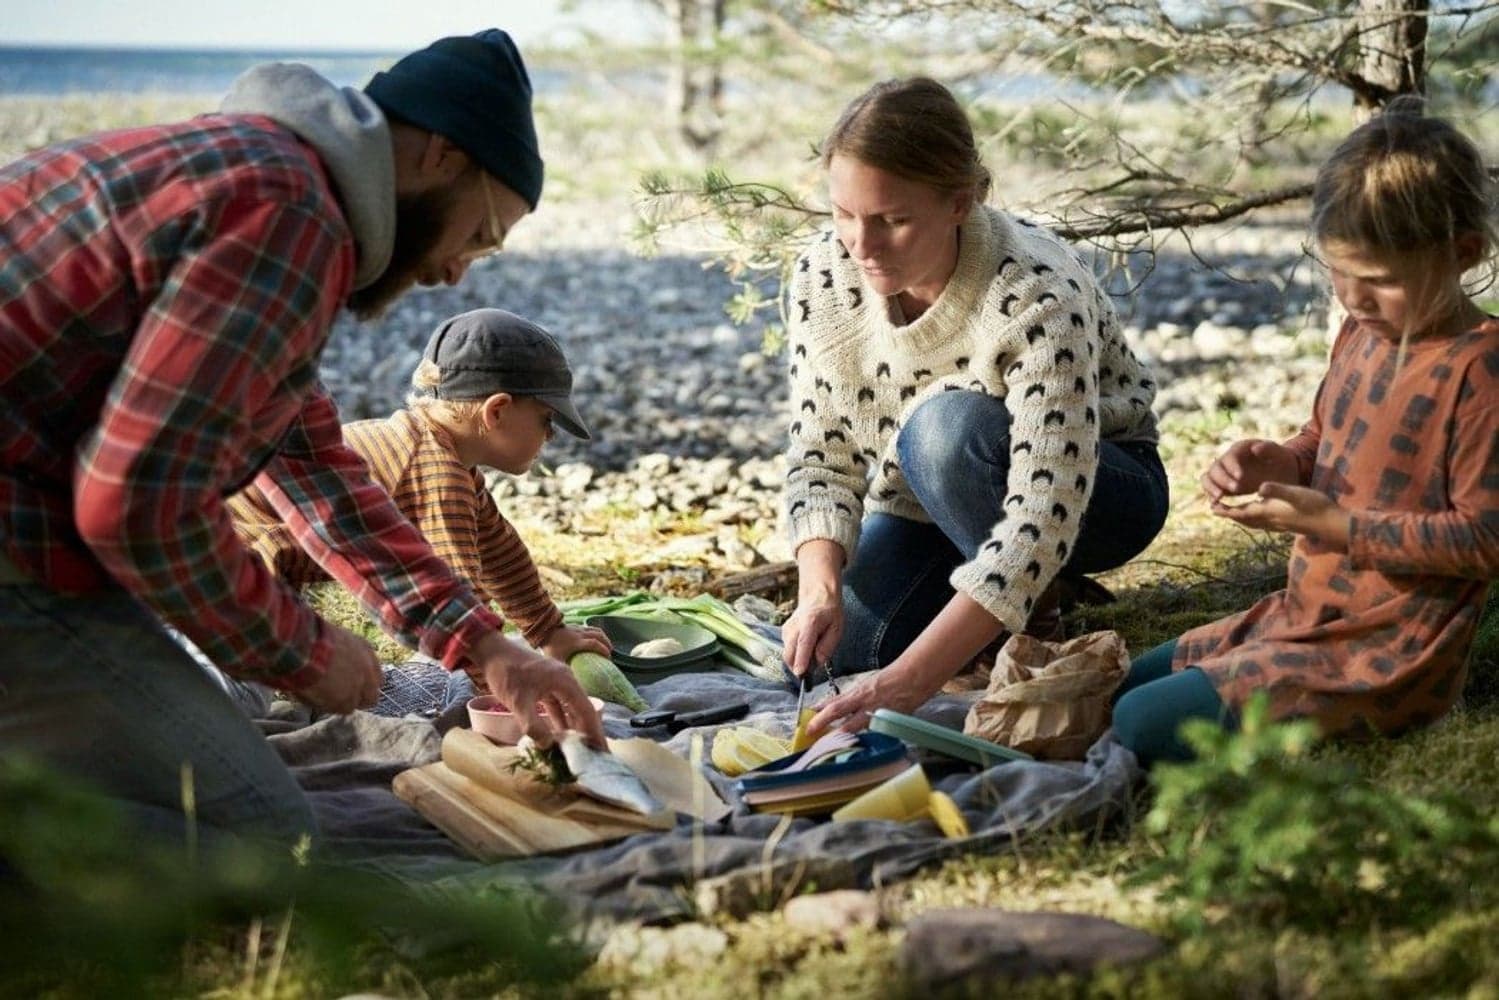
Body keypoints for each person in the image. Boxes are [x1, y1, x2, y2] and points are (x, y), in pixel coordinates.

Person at [0, 28, 604, 849]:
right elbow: (137, 505)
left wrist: (488, 647)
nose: (457, 272)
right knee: (259, 832)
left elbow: (312, 463)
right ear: (439, 155)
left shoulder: (263, 175)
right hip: (20, 541)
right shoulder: (288, 215)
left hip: (30, 517)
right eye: (481, 234)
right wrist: (303, 651)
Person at [1111, 101, 1499, 766]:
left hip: (1387, 652)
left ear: (1462, 253)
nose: (1351, 298)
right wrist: (1275, 463)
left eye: (1376, 280)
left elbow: (1483, 539)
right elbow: (1320, 440)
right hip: (1301, 613)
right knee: (1121, 682)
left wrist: (1342, 528)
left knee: (1138, 723)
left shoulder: (1479, 366)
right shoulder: (1359, 333)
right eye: (1337, 273)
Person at [781, 78, 1168, 736]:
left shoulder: (1036, 289)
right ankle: (983, 606)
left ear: (959, 202)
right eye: (843, 214)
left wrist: (912, 681)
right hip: (926, 500)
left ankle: (1035, 611)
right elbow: (823, 452)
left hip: (1095, 490)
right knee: (837, 662)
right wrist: (816, 585)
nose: (860, 244)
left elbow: (1044, 515)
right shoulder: (823, 275)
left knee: (943, 430)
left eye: (891, 220)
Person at [227, 308, 610, 693]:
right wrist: (499, 689)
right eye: (547, 420)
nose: (550, 437)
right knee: (248, 686)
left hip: (258, 570)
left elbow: (501, 554)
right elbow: (461, 595)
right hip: (226, 569)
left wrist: (548, 630)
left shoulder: (446, 460)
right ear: (496, 411)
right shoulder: (437, 476)